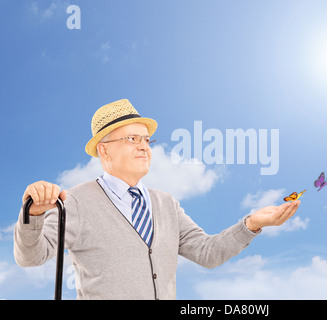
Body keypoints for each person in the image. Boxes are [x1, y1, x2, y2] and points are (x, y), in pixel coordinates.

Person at [14, 99, 300, 300]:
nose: (144, 147)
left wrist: (251, 224)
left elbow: (208, 253)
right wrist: (34, 216)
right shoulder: (75, 202)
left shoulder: (167, 204)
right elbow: (31, 257)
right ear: (104, 151)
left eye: (147, 140)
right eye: (132, 139)